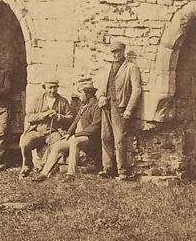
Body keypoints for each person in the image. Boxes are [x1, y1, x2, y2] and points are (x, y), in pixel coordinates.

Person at [34, 83, 102, 179]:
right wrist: (69, 134)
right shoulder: (83, 106)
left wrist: (77, 135)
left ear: (88, 94)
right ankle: (44, 173)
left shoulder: (96, 106)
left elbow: (95, 126)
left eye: (80, 93)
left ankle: (71, 174)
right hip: (79, 136)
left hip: (91, 139)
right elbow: (75, 121)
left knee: (74, 142)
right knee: (58, 145)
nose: (79, 96)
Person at [99, 42, 143, 180]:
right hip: (107, 107)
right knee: (105, 137)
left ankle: (122, 171)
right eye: (113, 52)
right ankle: (107, 168)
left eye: (118, 51)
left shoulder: (130, 67)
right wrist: (101, 97)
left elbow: (136, 89)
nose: (115, 54)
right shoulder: (107, 68)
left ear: (124, 51)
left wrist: (129, 109)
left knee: (119, 139)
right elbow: (101, 87)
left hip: (121, 108)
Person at [18, 78, 71, 177]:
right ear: (44, 88)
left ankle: (44, 167)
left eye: (55, 87)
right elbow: (29, 117)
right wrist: (43, 115)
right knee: (24, 143)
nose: (53, 90)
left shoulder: (63, 101)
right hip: (37, 130)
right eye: (50, 88)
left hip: (54, 131)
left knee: (57, 146)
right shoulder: (37, 100)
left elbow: (70, 118)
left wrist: (59, 117)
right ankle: (27, 165)